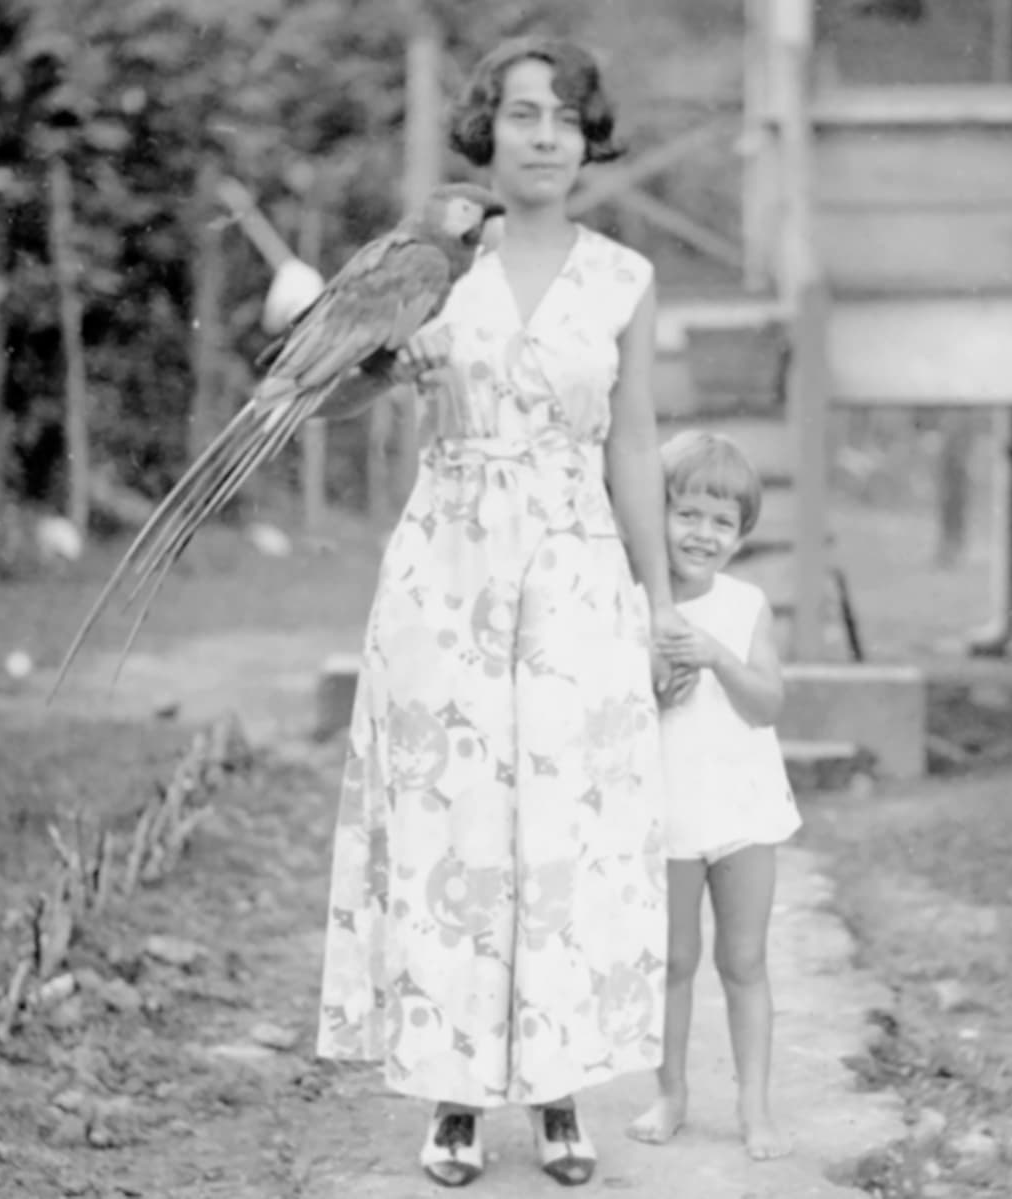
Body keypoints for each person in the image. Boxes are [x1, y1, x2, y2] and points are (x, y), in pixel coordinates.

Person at [314, 36, 680, 1190]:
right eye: (522, 114)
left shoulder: (623, 277)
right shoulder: (427, 263)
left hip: (574, 570)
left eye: (566, 118)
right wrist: (389, 365)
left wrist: (657, 597)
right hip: (449, 564)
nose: (543, 136)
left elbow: (632, 448)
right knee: (452, 817)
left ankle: (562, 1093)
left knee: (566, 826)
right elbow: (321, 399)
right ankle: (455, 1095)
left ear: (587, 140)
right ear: (488, 130)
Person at [626, 430, 799, 1161]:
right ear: (656, 514)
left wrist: (717, 656)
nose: (703, 533)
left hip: (743, 808)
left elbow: (766, 705)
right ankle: (671, 1092)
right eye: (687, 513)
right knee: (673, 959)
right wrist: (660, 687)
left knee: (745, 959)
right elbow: (623, 708)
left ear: (741, 535)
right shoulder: (634, 600)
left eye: (722, 522)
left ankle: (754, 1105)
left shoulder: (746, 602)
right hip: (668, 809)